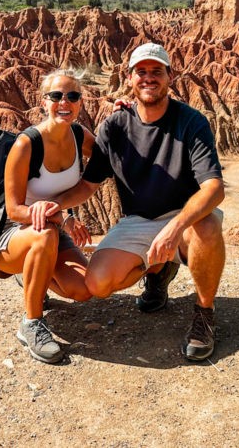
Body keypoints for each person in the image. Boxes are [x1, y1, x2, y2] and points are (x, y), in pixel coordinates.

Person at [44, 43, 226, 361]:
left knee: (208, 225)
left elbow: (214, 188)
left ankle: (204, 313)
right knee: (97, 284)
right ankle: (158, 271)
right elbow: (89, 184)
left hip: (184, 218)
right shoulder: (115, 126)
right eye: (141, 72)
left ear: (170, 76)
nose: (149, 78)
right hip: (137, 220)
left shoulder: (191, 122)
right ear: (130, 78)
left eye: (157, 71)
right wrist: (55, 206)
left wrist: (174, 228)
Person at [0, 68, 94, 364]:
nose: (64, 102)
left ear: (81, 102)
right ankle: (31, 323)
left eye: (72, 96)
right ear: (44, 102)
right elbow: (14, 209)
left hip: (54, 232)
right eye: (56, 96)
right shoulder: (26, 144)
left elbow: (111, 156)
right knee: (43, 234)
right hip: (11, 233)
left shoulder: (80, 136)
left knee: (84, 290)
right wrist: (63, 217)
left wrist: (128, 116)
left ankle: (33, 276)